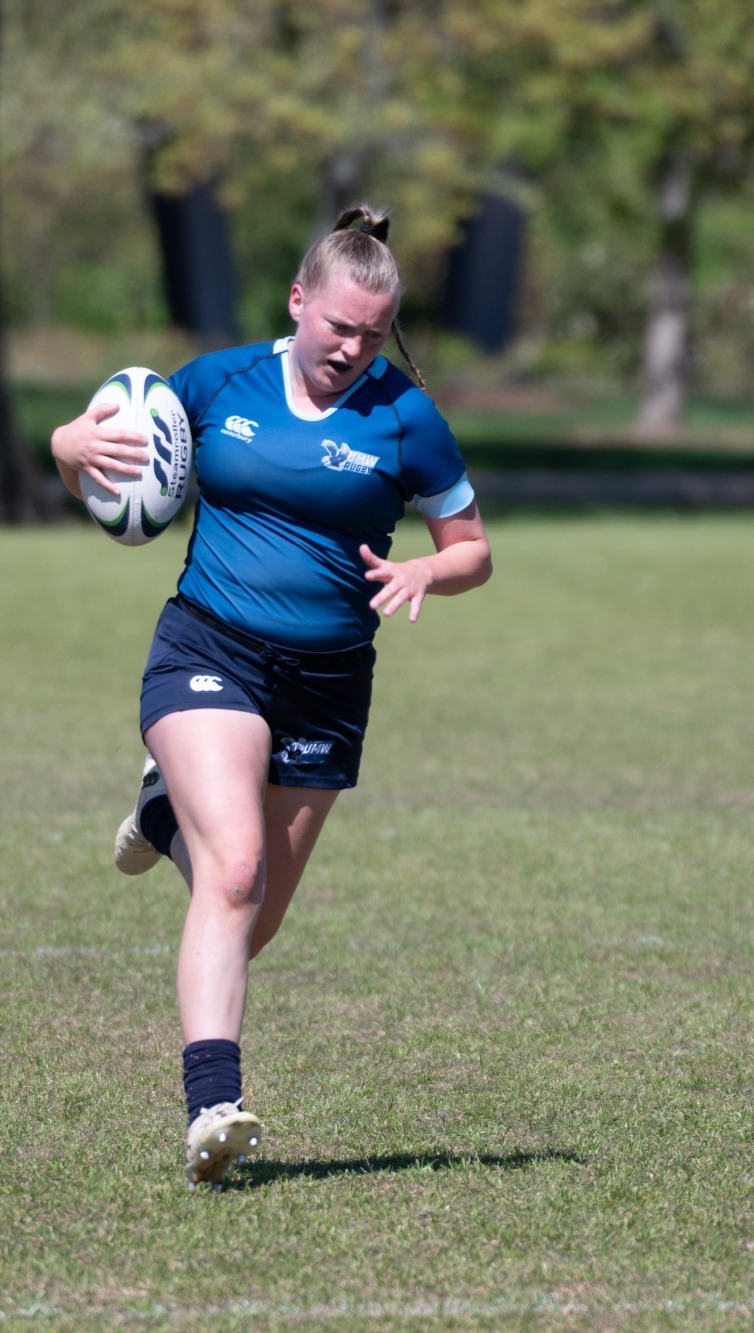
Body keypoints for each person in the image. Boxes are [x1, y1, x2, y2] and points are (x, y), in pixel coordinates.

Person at [48, 207, 492, 1183]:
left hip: (328, 684)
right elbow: (106, 457)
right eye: (337, 325)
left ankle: (161, 814)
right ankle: (213, 1108)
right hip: (209, 648)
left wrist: (427, 570)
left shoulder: (407, 417)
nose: (351, 348)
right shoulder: (217, 382)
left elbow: (474, 551)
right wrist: (67, 444)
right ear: (297, 301)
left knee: (254, 915)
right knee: (236, 869)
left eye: (372, 334)